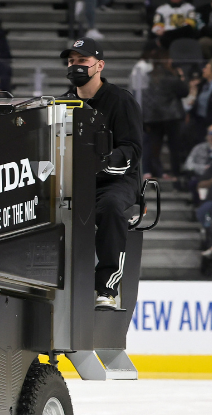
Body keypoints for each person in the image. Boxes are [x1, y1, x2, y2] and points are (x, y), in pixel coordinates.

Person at [60, 38, 143, 310]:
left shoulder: (120, 100)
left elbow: (131, 150)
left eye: (82, 61)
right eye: (71, 62)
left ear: (99, 65)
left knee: (110, 207)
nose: (75, 66)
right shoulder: (62, 103)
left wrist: (99, 163)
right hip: (74, 181)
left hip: (116, 181)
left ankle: (107, 286)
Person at [141, 49, 188, 179]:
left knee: (155, 146)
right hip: (172, 116)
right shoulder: (171, 77)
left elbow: (144, 99)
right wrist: (181, 77)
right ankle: (175, 172)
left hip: (153, 117)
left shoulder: (148, 76)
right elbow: (184, 92)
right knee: (174, 146)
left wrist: (145, 118)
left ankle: (155, 172)